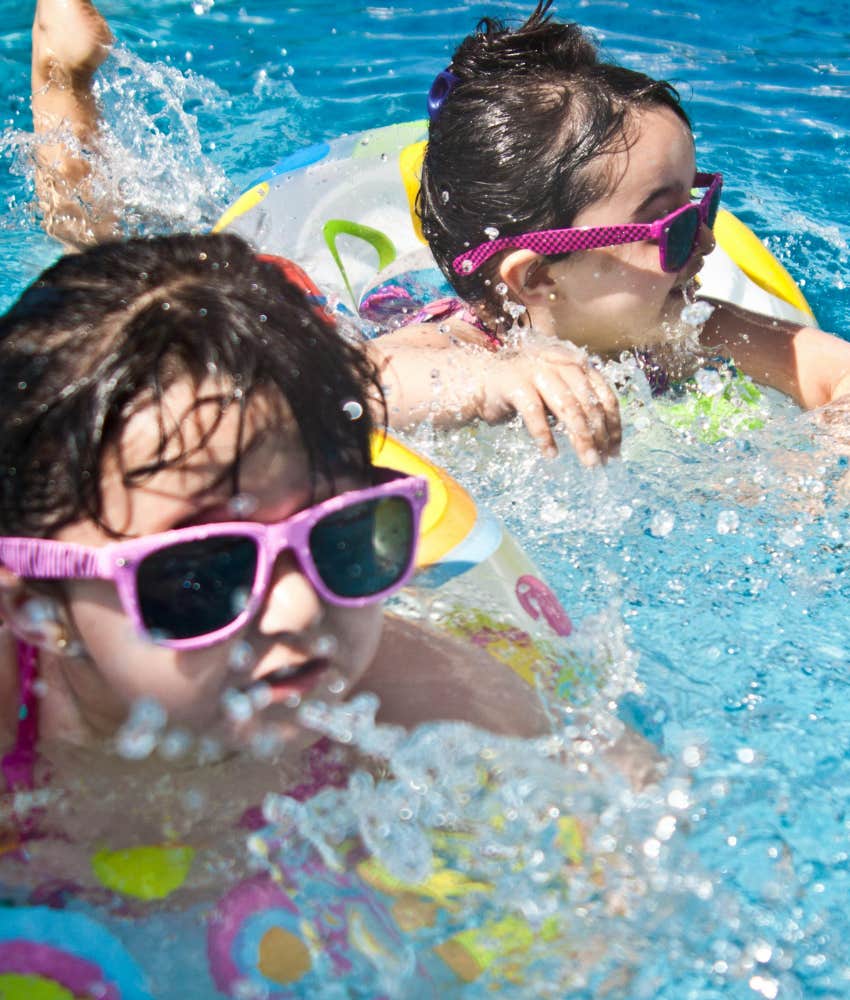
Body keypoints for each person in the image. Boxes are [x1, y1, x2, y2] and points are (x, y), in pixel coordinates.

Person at [0, 232, 547, 806]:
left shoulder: (425, 701)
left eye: (343, 536)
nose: (300, 608)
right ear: (36, 605)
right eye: (204, 574)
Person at [366, 1, 850, 463]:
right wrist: (493, 382)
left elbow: (837, 371)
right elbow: (352, 389)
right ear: (538, 276)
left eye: (700, 208)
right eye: (673, 228)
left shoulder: (678, 325)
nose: (706, 243)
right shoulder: (462, 348)